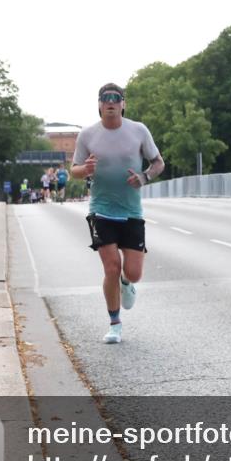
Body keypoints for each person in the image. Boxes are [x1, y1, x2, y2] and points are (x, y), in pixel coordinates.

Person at [71, 83, 164, 344]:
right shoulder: (88, 135)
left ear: (123, 104)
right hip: (101, 210)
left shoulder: (138, 130)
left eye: (116, 98)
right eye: (105, 98)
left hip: (131, 211)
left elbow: (158, 162)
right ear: (99, 104)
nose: (110, 102)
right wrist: (85, 169)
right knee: (111, 267)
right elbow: (74, 170)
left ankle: (127, 283)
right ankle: (115, 323)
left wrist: (144, 177)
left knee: (133, 273)